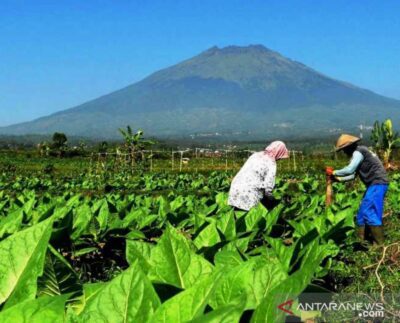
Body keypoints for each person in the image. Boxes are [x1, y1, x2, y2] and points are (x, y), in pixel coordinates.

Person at [326, 134, 389, 245]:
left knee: (369, 212)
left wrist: (334, 172)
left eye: (344, 150)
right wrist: (338, 179)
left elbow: (350, 170)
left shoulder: (358, 152)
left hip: (377, 183)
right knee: (361, 214)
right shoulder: (359, 154)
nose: (344, 153)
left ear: (349, 147)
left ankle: (379, 245)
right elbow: (353, 175)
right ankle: (362, 242)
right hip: (374, 185)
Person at [228, 141, 289, 211]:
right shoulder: (271, 162)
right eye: (281, 156)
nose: (280, 159)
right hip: (249, 191)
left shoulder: (256, 155)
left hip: (235, 187)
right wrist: (272, 200)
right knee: (250, 216)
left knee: (237, 214)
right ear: (279, 152)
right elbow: (268, 186)